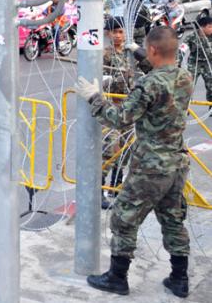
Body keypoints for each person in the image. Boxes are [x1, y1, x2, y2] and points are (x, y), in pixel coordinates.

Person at [75, 26, 193, 298]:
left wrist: (95, 98)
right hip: (176, 162)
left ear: (152, 50)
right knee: (173, 218)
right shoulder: (184, 77)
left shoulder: (148, 84)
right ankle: (179, 278)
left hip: (151, 166)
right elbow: (161, 74)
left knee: (124, 218)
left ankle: (117, 277)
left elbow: (120, 119)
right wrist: (140, 54)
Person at [100, 17, 152, 210]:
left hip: (129, 109)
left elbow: (151, 67)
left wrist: (138, 52)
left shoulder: (131, 54)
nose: (118, 36)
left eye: (121, 32)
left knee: (127, 150)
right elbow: (97, 75)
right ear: (108, 33)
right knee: (108, 149)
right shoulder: (105, 54)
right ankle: (100, 191)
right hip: (112, 108)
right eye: (115, 32)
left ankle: (116, 185)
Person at [185, 16, 212, 104]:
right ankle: (185, 108)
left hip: (208, 63)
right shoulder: (191, 37)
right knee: (188, 86)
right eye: (210, 27)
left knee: (211, 86)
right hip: (194, 64)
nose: (211, 29)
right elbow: (181, 50)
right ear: (201, 27)